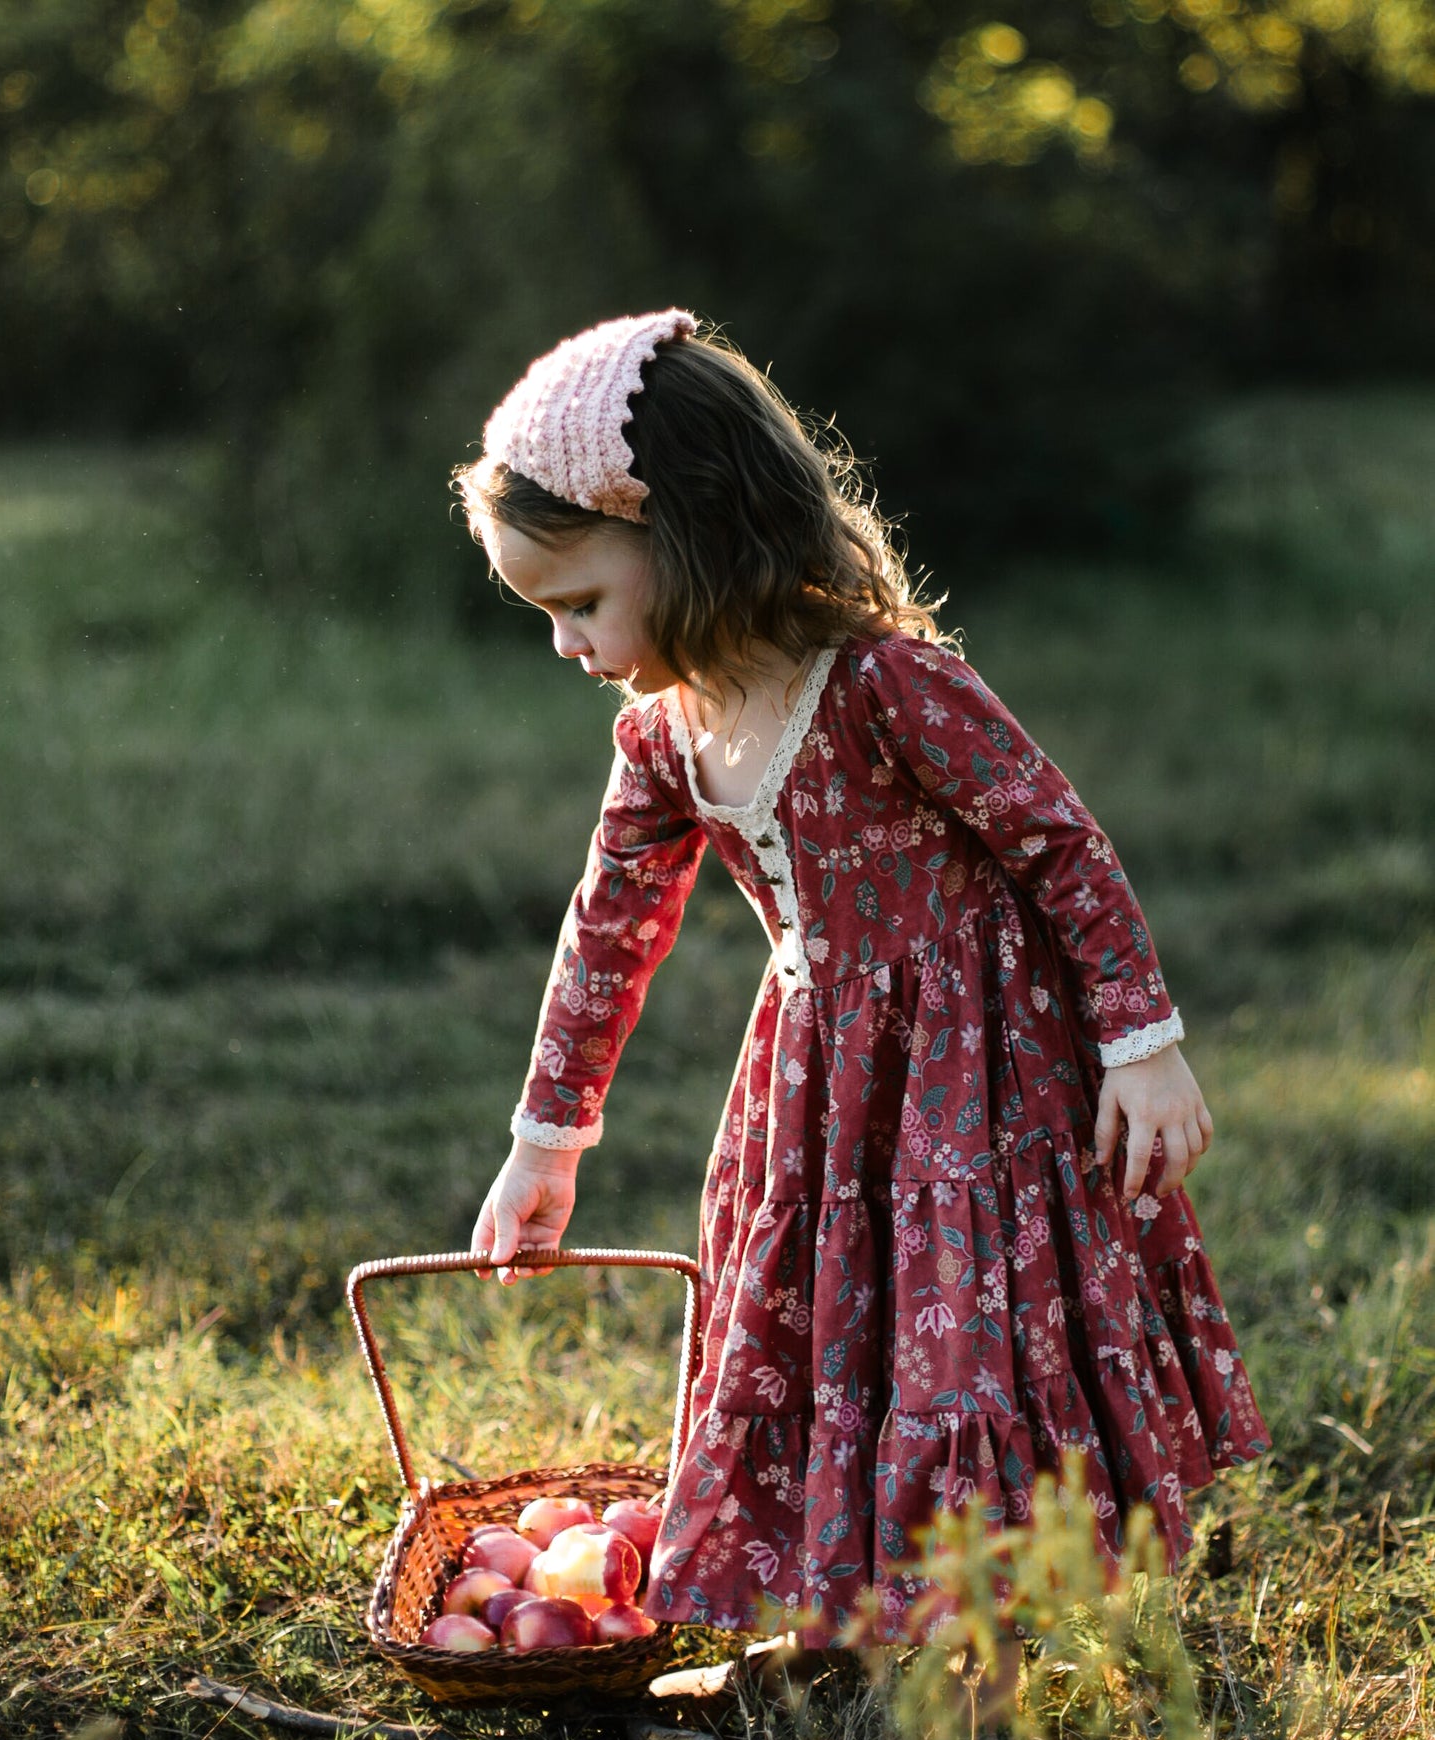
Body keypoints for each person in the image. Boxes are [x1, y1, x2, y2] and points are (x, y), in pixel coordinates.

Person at [457, 308, 1268, 1656]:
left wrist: (1140, 1042)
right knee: (832, 1336)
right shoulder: (662, 736)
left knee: (959, 1348)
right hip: (819, 1087)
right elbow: (608, 929)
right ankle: (845, 1606)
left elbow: (1054, 840)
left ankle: (971, 1635)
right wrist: (546, 1143)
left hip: (980, 1082)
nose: (567, 645)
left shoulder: (888, 685)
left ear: (686, 530)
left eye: (580, 603)